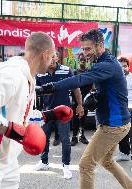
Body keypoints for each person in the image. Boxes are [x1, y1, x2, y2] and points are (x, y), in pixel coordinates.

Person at [0, 32, 73, 189]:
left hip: (8, 160)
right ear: (45, 54)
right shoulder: (12, 74)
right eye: (52, 56)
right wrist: (14, 132)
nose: (52, 61)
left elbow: (21, 116)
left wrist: (51, 114)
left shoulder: (28, 77)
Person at [37, 29, 132, 189]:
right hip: (116, 123)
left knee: (85, 165)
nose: (84, 53)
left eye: (88, 48)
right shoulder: (105, 61)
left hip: (113, 126)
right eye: (82, 48)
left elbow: (80, 78)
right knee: (107, 161)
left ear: (100, 46)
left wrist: (50, 87)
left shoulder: (107, 65)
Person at [34, 51, 84, 179]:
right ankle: (44, 162)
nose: (51, 60)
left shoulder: (66, 71)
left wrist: (79, 105)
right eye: (48, 57)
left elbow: (76, 89)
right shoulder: (40, 72)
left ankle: (66, 166)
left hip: (63, 112)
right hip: (47, 112)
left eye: (53, 57)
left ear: (56, 57)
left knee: (65, 139)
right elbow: (34, 92)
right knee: (43, 138)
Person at [70, 52, 93, 146]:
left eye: (84, 60)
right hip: (76, 99)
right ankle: (74, 137)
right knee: (75, 118)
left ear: (87, 61)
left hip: (86, 99)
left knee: (84, 118)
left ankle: (82, 135)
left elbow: (92, 84)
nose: (82, 61)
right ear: (78, 61)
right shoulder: (74, 72)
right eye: (81, 60)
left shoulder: (89, 72)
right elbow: (72, 85)